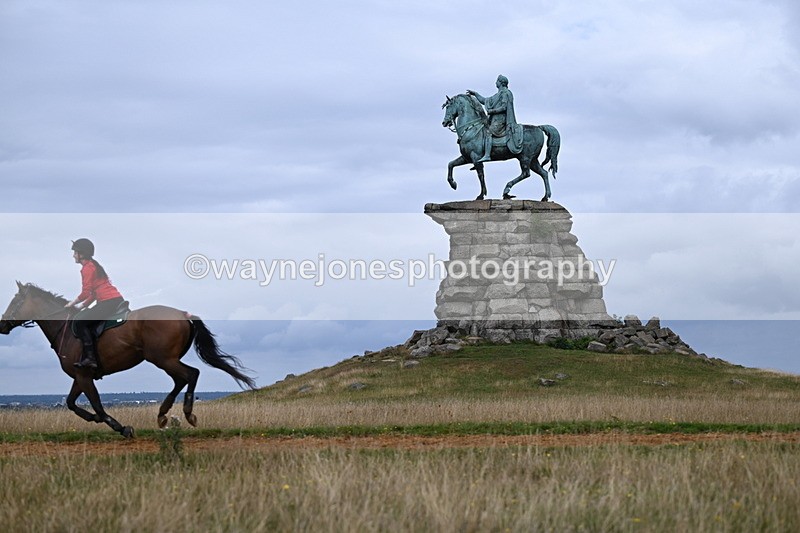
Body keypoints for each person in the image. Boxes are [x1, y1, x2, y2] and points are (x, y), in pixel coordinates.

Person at [65, 238, 125, 369]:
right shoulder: (94, 266)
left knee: (80, 323)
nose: (73, 255)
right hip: (114, 300)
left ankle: (90, 358)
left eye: (75, 252)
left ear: (82, 254)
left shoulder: (87, 268)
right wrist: (80, 307)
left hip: (108, 302)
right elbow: (93, 294)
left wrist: (72, 303)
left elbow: (86, 292)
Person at [466, 74, 524, 162]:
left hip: (501, 121)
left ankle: (487, 155)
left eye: (497, 81)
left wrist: (492, 111)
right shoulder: (497, 95)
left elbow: (504, 107)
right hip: (494, 120)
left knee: (488, 132)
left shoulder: (505, 93)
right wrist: (475, 94)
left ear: (501, 83)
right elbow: (484, 100)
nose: (495, 82)